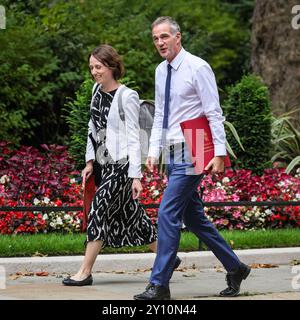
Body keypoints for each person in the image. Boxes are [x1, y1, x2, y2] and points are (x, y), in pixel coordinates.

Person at [134, 17, 251, 300]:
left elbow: (213, 111)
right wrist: (152, 151)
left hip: (194, 147)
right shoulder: (161, 71)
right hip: (171, 151)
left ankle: (159, 284)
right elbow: (160, 113)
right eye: (155, 38)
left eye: (164, 36)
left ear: (178, 37)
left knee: (167, 213)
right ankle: (235, 267)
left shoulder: (198, 67)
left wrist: (220, 153)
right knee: (193, 218)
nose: (160, 42)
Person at [62, 44, 181, 287]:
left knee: (98, 211)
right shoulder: (96, 90)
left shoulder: (127, 96)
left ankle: (85, 272)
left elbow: (134, 137)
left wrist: (135, 176)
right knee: (132, 217)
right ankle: (169, 258)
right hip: (103, 166)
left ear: (112, 67)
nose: (94, 72)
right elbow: (92, 128)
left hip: (121, 167)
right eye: (91, 67)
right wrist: (89, 161)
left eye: (98, 67)